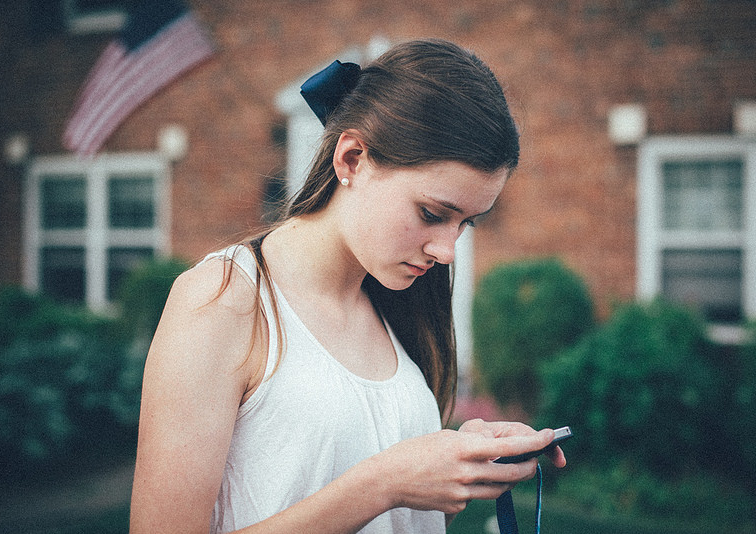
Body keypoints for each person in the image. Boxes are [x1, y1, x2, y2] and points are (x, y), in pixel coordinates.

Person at [130, 38, 566, 534]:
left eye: (468, 223)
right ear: (352, 159)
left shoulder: (392, 301)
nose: (447, 251)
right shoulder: (222, 300)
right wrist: (385, 483)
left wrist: (455, 460)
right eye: (432, 214)